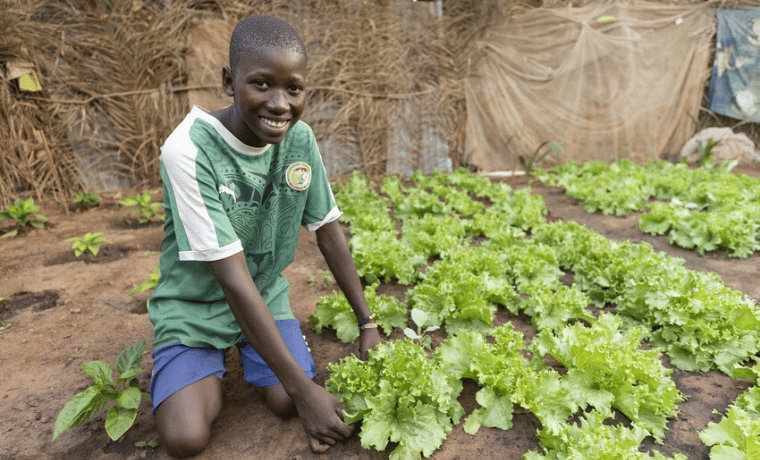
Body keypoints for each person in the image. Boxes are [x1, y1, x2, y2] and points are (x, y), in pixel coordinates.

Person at [147, 14, 381, 458]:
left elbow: (328, 232)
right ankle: (198, 357)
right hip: (195, 304)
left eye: (293, 89)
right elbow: (231, 279)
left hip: (264, 293)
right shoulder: (189, 149)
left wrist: (367, 322)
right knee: (185, 438)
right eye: (261, 85)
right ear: (228, 82)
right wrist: (306, 392)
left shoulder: (300, 140)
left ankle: (260, 354)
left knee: (283, 404)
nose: (280, 104)